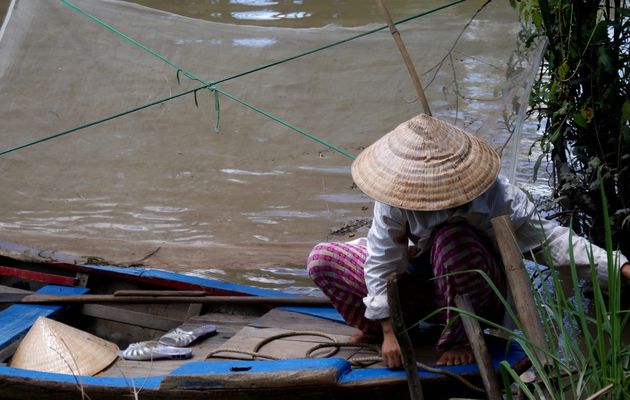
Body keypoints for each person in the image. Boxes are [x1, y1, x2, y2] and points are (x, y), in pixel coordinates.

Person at [307, 114, 630, 368]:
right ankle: (381, 328)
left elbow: (552, 244)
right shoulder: (395, 199)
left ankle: (459, 338)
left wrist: (621, 268)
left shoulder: (498, 197)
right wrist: (388, 331)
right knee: (323, 259)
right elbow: (382, 259)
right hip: (420, 286)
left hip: (475, 293)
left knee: (453, 239)